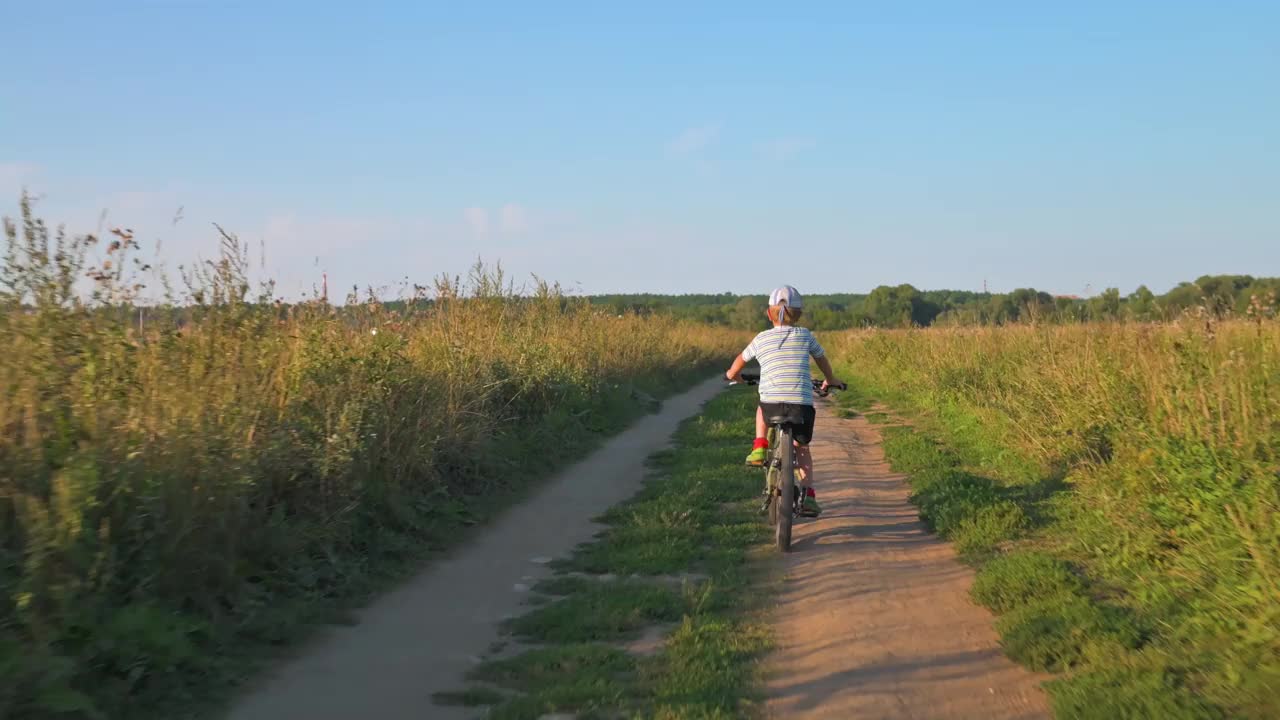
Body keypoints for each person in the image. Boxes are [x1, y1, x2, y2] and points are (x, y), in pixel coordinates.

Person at [725, 285, 841, 517]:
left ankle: (759, 446)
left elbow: (740, 360)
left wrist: (733, 376)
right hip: (801, 407)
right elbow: (821, 359)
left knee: (762, 407)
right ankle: (808, 495)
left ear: (769, 313)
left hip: (772, 406)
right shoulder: (805, 335)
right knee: (803, 449)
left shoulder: (761, 338)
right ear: (798, 314)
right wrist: (830, 379)